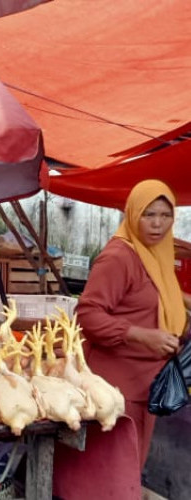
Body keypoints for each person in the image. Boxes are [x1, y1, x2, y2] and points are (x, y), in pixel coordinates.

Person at [76, 179, 191, 474]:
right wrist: (141, 336)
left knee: (129, 470)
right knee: (108, 475)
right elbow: (87, 314)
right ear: (132, 213)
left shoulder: (157, 254)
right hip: (114, 391)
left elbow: (157, 302)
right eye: (148, 214)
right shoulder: (119, 257)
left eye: (165, 216)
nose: (158, 224)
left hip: (146, 385)